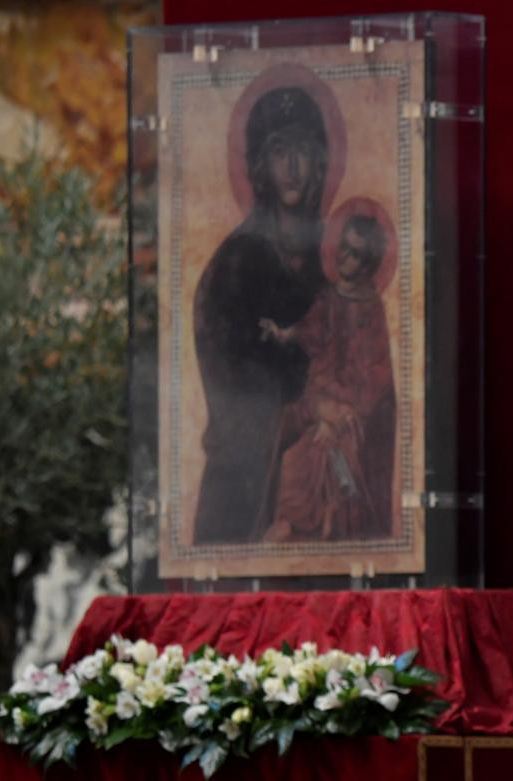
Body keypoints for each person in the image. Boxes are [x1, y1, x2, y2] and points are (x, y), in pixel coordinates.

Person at [192, 85, 328, 543]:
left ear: (320, 162)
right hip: (247, 475)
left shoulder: (337, 254)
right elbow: (230, 381)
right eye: (279, 151)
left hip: (319, 453)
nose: (292, 167)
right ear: (260, 167)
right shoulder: (236, 263)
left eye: (303, 152)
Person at [258, 212, 396, 541]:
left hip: (352, 408)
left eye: (356, 254)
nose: (345, 258)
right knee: (286, 448)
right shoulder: (329, 296)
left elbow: (377, 372)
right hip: (318, 398)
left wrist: (340, 414)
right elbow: (310, 329)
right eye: (343, 248)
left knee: (313, 456)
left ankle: (313, 519)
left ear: (369, 265)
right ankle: (292, 520)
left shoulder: (372, 308)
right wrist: (282, 333)